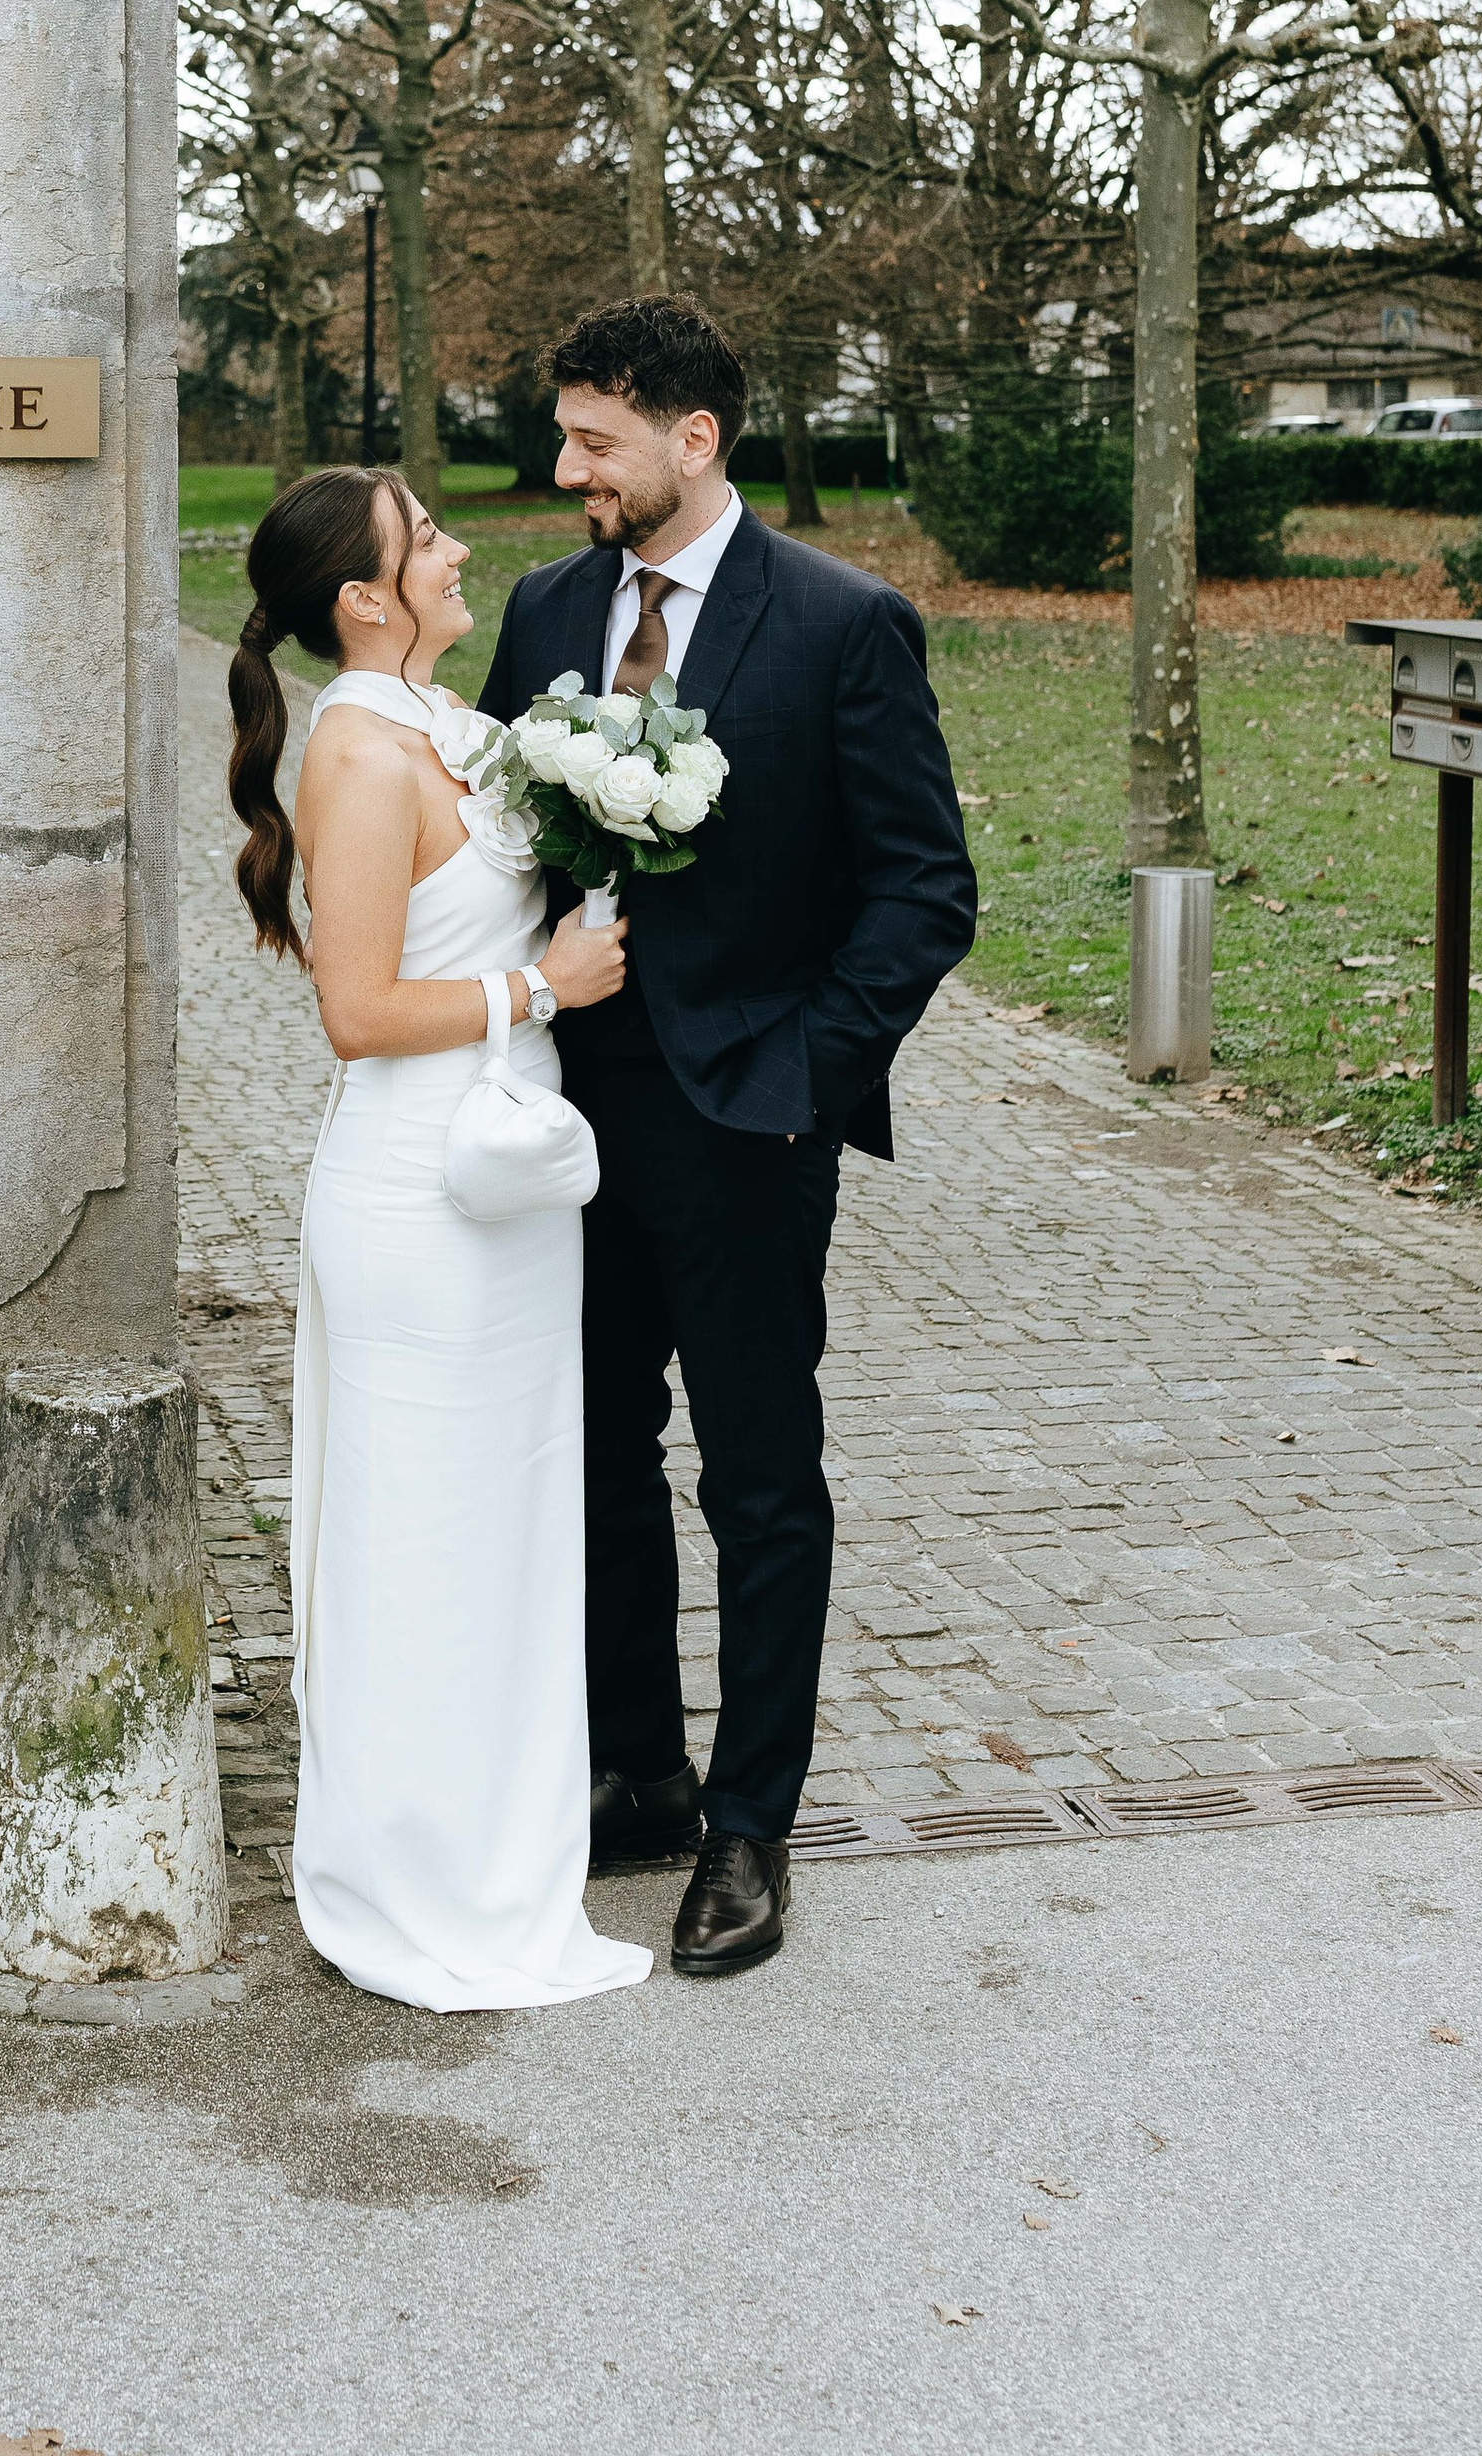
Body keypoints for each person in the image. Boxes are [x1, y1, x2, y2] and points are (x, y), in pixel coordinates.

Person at [478, 299, 976, 1978]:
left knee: (758, 1481)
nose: (568, 472)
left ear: (695, 440)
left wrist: (805, 1079)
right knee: (598, 1451)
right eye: (565, 438)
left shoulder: (842, 625)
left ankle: (753, 1828)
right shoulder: (549, 610)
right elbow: (502, 853)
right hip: (566, 1115)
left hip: (749, 1124)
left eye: (595, 442)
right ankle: (639, 1773)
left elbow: (925, 894)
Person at [227, 463, 652, 2012]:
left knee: (507, 1537)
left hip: (511, 1198)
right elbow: (355, 1014)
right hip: (416, 1201)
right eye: (426, 539)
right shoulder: (356, 753)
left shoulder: (446, 724)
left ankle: (497, 1852)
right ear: (362, 596)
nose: (460, 546)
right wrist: (542, 990)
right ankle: (410, 1879)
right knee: (419, 1546)